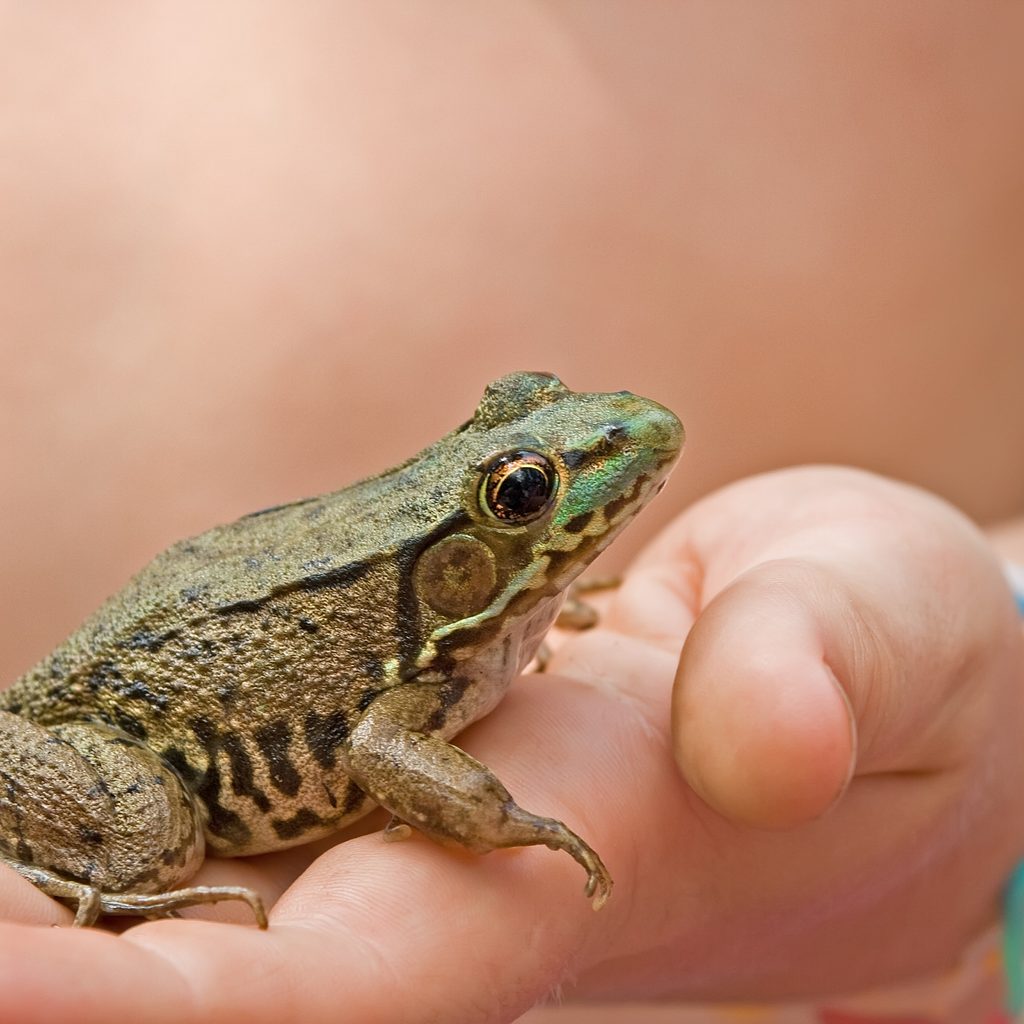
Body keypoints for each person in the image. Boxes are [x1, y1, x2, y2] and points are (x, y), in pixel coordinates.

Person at [1, 5, 1022, 1022]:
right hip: (120, 727)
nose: (604, 454)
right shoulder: (413, 680)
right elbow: (376, 748)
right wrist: (495, 818)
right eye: (525, 496)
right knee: (154, 842)